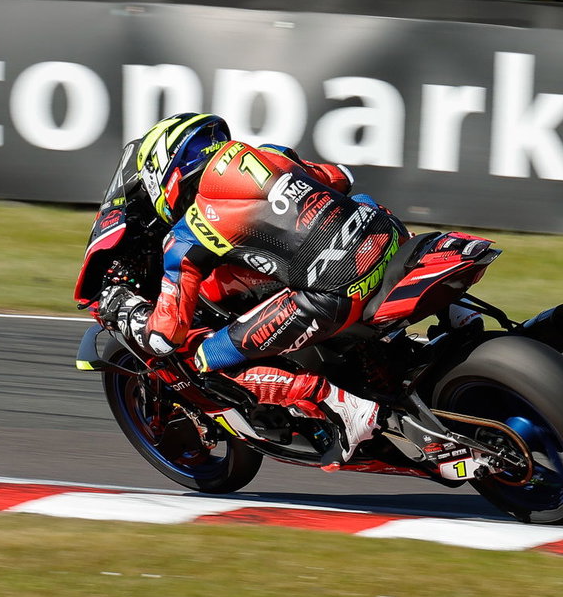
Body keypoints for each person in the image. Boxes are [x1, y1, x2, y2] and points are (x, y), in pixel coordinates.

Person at [88, 113, 408, 466]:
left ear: (160, 176)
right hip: (389, 239)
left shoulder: (188, 232)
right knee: (357, 203)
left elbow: (167, 335)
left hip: (334, 291)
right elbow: (341, 177)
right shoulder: (270, 154)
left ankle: (342, 405)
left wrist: (128, 312)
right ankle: (456, 319)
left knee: (205, 360)